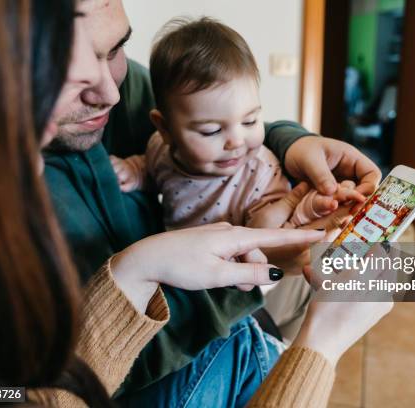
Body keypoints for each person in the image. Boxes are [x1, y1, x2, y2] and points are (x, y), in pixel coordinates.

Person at [42, 0, 383, 395]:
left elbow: (221, 117)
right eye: (71, 72)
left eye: (116, 49)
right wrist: (317, 344)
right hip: (198, 315)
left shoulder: (120, 92)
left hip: (244, 260)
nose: (110, 94)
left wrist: (294, 143)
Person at [111, 18, 375, 232]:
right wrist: (133, 171)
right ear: (165, 129)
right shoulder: (159, 148)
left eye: (250, 121)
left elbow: (266, 228)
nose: (237, 141)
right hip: (182, 276)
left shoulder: (261, 172)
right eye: (211, 130)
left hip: (243, 280)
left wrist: (303, 203)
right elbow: (151, 170)